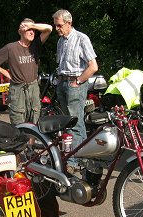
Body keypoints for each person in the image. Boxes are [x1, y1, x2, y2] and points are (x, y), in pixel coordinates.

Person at [52, 9, 98, 172]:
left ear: (69, 23)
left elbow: (93, 66)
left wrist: (78, 81)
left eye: (59, 25)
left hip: (74, 84)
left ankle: (76, 160)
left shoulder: (81, 38)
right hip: (63, 83)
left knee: (75, 123)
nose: (56, 28)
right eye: (56, 25)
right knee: (68, 122)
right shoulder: (61, 41)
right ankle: (77, 157)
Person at [0, 19, 52, 125]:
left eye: (33, 30)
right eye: (28, 30)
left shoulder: (36, 45)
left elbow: (49, 29)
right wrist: (3, 71)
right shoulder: (11, 48)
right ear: (20, 32)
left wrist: (32, 25)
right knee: (18, 123)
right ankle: (22, 142)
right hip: (17, 90)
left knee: (35, 121)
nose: (32, 32)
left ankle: (32, 142)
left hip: (33, 88)